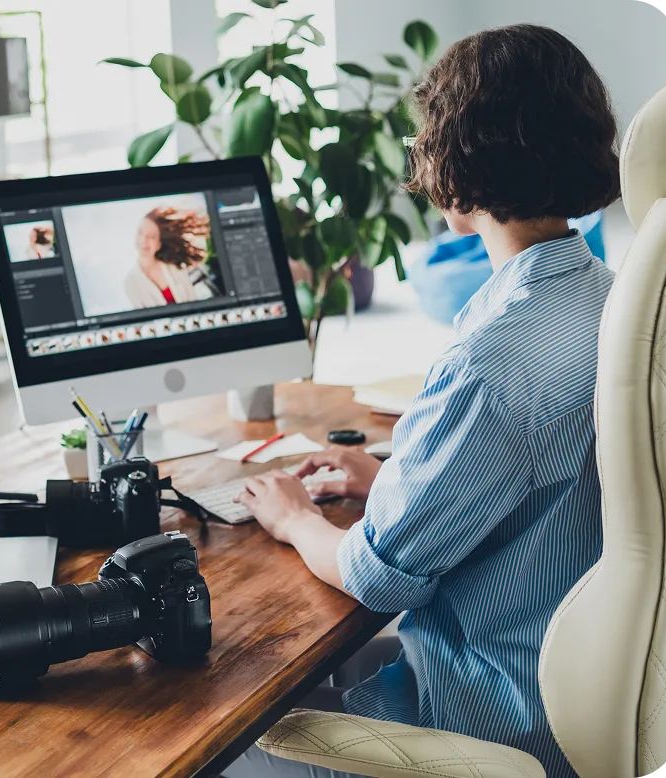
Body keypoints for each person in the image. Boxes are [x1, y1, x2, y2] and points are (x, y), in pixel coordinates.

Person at [225, 24, 621, 778]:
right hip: (581, 685)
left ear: (457, 162)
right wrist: (390, 480)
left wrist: (293, 517)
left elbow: (376, 575)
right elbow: (546, 483)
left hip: (489, 711)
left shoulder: (493, 359)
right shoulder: (609, 298)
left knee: (219, 730)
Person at [125, 206, 215, 308]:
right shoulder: (131, 282)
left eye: (151, 236)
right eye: (140, 233)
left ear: (158, 244)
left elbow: (193, 300)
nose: (143, 241)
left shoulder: (175, 267)